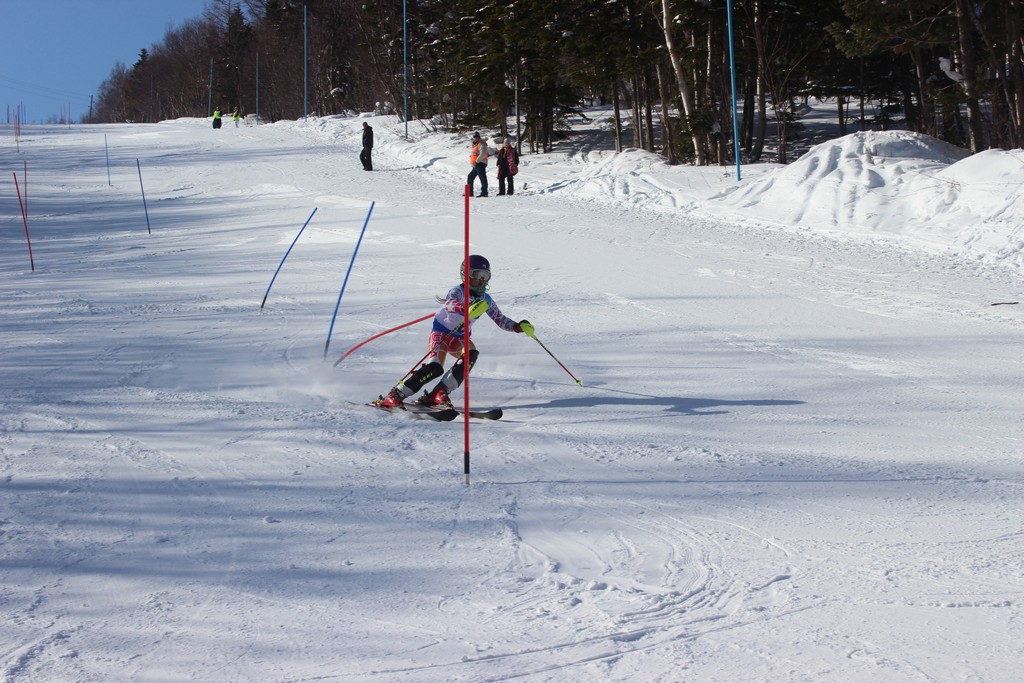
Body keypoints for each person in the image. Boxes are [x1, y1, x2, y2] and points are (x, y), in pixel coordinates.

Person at [375, 255, 532, 409]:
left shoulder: (486, 300)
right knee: (435, 368)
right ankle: (396, 394)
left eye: (486, 276)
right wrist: (464, 308)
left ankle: (439, 392)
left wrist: (518, 327)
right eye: (477, 275)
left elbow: (501, 320)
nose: (482, 280)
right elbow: (450, 304)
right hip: (442, 334)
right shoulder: (457, 291)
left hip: (461, 338)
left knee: (471, 355)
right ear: (466, 275)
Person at [467, 132, 489, 196]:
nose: (475, 138)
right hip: (476, 165)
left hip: (480, 163)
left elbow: (483, 153)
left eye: (477, 137)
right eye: (474, 137)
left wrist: (477, 160)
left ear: (479, 137)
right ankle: (470, 192)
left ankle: (484, 192)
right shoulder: (475, 145)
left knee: (482, 177)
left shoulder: (482, 144)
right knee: (470, 177)